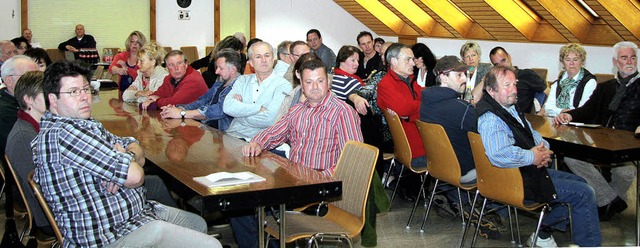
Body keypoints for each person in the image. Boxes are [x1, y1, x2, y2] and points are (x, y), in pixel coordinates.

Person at [32, 60, 222, 247]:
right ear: (53, 99)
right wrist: (124, 161)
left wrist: (122, 160)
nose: (84, 97)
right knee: (211, 245)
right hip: (110, 235)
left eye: (86, 89)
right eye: (73, 92)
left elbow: (134, 145)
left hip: (135, 215)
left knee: (197, 224)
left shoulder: (83, 124)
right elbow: (136, 176)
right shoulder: (64, 135)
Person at [476, 65, 601, 247]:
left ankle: (542, 235)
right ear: (491, 91)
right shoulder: (491, 118)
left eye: (514, 84)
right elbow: (498, 154)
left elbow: (533, 135)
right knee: (584, 193)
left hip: (524, 171)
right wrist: (532, 157)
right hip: (515, 180)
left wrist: (544, 149)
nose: (513, 90)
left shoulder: (509, 108)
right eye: (507, 85)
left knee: (582, 183)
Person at [553, 41, 639, 221]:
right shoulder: (606, 87)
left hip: (628, 147)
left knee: (625, 172)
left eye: (633, 57)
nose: (629, 61)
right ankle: (609, 201)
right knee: (571, 157)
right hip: (602, 143)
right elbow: (587, 109)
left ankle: (607, 204)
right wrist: (569, 115)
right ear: (615, 62)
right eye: (624, 58)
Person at [243, 58, 362, 174]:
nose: (315, 87)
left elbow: (353, 158)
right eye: (309, 82)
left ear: (328, 82)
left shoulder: (343, 112)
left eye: (320, 81)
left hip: (323, 182)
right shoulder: (297, 110)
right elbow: (274, 132)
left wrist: (322, 177)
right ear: (301, 85)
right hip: (294, 177)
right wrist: (257, 143)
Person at [377, 43, 424, 202]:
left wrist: (412, 112)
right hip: (413, 144)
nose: (413, 63)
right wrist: (418, 108)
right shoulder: (386, 84)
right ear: (394, 62)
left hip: (416, 134)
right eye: (408, 59)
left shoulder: (409, 79)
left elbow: (419, 103)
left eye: (413, 59)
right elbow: (404, 109)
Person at [223, 41, 292, 141]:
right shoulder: (243, 80)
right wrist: (259, 108)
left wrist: (239, 114)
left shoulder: (283, 86)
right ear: (250, 62)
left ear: (273, 59)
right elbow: (227, 107)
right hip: (233, 136)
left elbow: (270, 119)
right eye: (258, 57)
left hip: (261, 142)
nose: (264, 60)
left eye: (267, 55)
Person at [160, 48, 241, 131]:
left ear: (233, 70)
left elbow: (218, 110)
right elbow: (203, 100)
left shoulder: (239, 87)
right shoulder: (220, 81)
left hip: (225, 134)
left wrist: (182, 113)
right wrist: (180, 108)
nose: (216, 71)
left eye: (220, 68)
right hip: (209, 129)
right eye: (217, 67)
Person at [140, 50, 208, 110]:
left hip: (201, 121)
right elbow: (158, 93)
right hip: (182, 117)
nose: (176, 68)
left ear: (186, 64)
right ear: (167, 68)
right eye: (172, 65)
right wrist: (152, 99)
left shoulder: (193, 79)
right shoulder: (168, 78)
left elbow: (175, 103)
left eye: (179, 63)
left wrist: (157, 101)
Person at [489, 46, 547, 113]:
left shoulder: (526, 74)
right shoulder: (495, 80)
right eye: (497, 64)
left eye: (503, 60)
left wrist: (540, 114)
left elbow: (550, 93)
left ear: (509, 56)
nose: (502, 66)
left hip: (521, 118)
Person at [543, 43, 596, 117]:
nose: (571, 63)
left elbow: (583, 109)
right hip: (556, 121)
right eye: (567, 60)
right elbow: (548, 108)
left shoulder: (589, 82)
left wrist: (559, 112)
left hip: (577, 122)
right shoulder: (558, 83)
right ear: (563, 62)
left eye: (575, 59)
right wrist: (562, 112)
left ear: (582, 61)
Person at [0, 55, 38, 157]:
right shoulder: (5, 113)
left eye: (39, 75)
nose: (38, 82)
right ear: (9, 81)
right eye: (29, 76)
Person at [332, 45, 369, 115]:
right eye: (353, 60)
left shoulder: (336, 76)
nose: (357, 64)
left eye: (357, 61)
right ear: (341, 61)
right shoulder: (348, 81)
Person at [109, 31, 147, 98]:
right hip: (121, 94)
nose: (134, 44)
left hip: (138, 95)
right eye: (132, 42)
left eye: (137, 42)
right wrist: (118, 70)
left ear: (142, 45)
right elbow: (111, 68)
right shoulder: (121, 56)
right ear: (129, 43)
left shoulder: (144, 59)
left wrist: (127, 69)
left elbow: (140, 77)